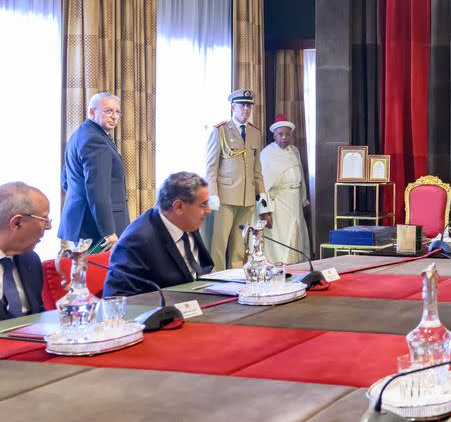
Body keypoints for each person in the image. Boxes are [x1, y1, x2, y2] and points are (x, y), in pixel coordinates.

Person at [103, 172, 213, 297]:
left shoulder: (188, 222)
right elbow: (117, 297)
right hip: (165, 310)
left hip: (200, 299)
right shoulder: (138, 240)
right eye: (203, 205)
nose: (209, 210)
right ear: (178, 207)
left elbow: (201, 270)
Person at [204, 89, 271, 270]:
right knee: (219, 243)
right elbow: (211, 167)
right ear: (233, 107)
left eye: (249, 106)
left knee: (240, 245)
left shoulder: (255, 133)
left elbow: (257, 169)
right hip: (225, 197)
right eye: (242, 105)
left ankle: (234, 275)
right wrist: (212, 193)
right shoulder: (221, 131)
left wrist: (262, 193)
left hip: (247, 197)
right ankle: (215, 277)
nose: (246, 110)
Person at [59, 92, 129, 251]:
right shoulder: (95, 140)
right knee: (98, 273)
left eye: (118, 112)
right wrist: (108, 231)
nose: (114, 116)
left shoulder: (80, 134)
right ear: (92, 112)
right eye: (108, 111)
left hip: (82, 221)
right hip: (97, 227)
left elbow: (66, 179)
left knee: (82, 271)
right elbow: (98, 190)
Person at [259, 113, 311, 264]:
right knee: (281, 237)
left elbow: (300, 175)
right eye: (280, 134)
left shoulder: (294, 151)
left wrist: (303, 198)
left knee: (297, 232)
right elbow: (263, 185)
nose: (283, 137)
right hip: (279, 203)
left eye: (287, 134)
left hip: (294, 202)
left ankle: (297, 264)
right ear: (274, 135)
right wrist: (265, 211)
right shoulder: (267, 153)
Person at [0, 182, 50, 319]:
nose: (49, 226)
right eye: (44, 219)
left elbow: (38, 315)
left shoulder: (31, 260)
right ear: (17, 223)